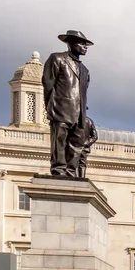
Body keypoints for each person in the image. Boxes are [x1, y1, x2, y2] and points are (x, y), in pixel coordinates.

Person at [42, 30, 97, 178]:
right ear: (71, 43)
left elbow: (83, 93)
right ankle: (59, 170)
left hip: (79, 114)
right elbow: (48, 85)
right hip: (61, 109)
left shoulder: (85, 71)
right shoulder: (57, 59)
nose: (85, 47)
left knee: (76, 145)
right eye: (82, 43)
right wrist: (51, 107)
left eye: (86, 45)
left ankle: (70, 172)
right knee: (59, 142)